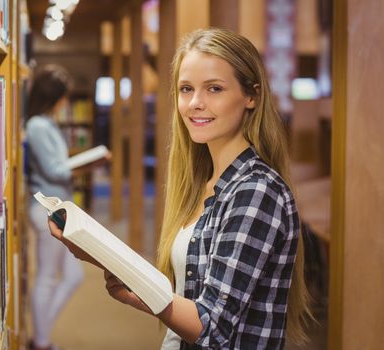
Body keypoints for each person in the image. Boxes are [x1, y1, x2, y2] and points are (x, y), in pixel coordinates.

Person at [49, 28, 311, 349]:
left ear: (251, 96)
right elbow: (188, 300)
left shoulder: (255, 191)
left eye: (214, 88)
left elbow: (210, 327)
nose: (195, 103)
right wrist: (105, 259)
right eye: (186, 89)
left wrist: (130, 280)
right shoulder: (203, 182)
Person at [24, 64, 84, 350]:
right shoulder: (37, 125)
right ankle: (41, 341)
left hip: (61, 206)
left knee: (74, 276)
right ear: (52, 96)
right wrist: (80, 166)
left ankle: (40, 335)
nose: (65, 103)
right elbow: (53, 169)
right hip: (48, 207)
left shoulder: (46, 123)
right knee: (48, 277)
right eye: (62, 97)